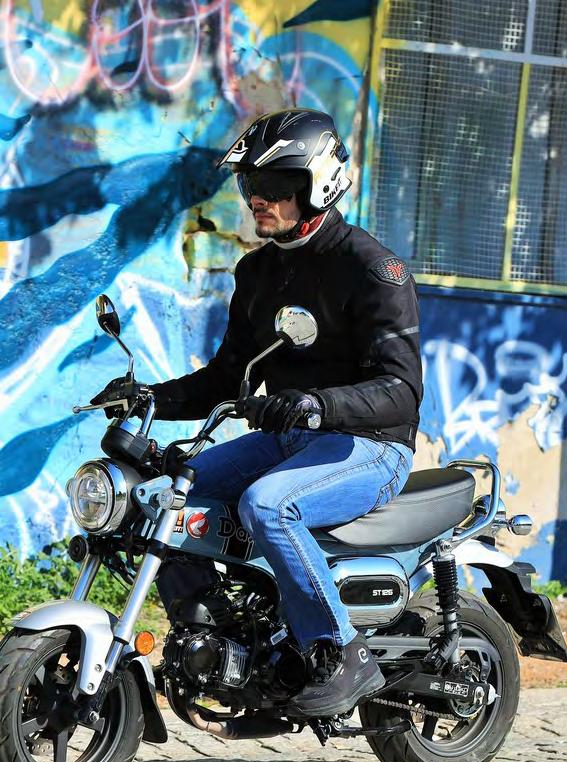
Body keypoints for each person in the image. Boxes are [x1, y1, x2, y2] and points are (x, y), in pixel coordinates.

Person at [95, 109, 423, 717]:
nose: (257, 200)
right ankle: (217, 637)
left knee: (268, 505)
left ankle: (340, 652)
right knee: (159, 497)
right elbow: (226, 379)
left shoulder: (372, 269)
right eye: (251, 185)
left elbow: (401, 390)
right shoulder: (257, 272)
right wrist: (149, 397)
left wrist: (318, 404)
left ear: (318, 185)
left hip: (371, 446)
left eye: (274, 186)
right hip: (289, 440)